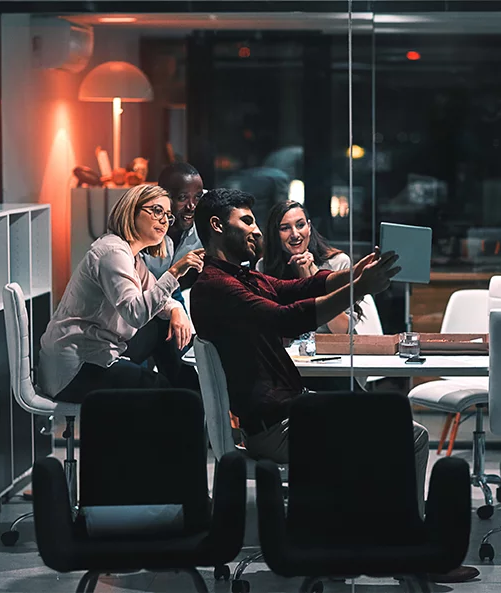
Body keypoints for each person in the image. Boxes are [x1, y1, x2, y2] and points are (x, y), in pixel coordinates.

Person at [189, 188, 479, 583]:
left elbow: (300, 288)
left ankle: (389, 541)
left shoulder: (239, 276)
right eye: (248, 221)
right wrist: (359, 287)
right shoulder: (217, 287)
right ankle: (408, 549)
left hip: (287, 413)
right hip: (275, 426)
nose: (257, 230)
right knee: (408, 436)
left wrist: (356, 273)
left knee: (404, 432)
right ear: (217, 226)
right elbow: (287, 317)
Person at [38, 184, 204, 403]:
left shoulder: (132, 257)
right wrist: (174, 272)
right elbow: (135, 313)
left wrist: (176, 310)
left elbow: (157, 297)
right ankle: (194, 402)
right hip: (74, 369)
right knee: (162, 390)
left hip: (99, 352)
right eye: (157, 211)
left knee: (163, 328)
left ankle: (196, 398)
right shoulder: (112, 253)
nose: (164, 220)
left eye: (168, 215)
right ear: (132, 211)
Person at [257, 200, 354, 334]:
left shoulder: (338, 262)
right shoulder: (264, 266)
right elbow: (267, 324)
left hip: (329, 344)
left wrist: (314, 278)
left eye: (300, 225)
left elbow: (342, 330)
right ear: (274, 234)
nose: (295, 234)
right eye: (285, 228)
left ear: (309, 227)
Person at [141, 162, 205, 304]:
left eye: (197, 197)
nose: (192, 206)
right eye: (182, 198)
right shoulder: (142, 230)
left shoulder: (208, 214)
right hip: (146, 303)